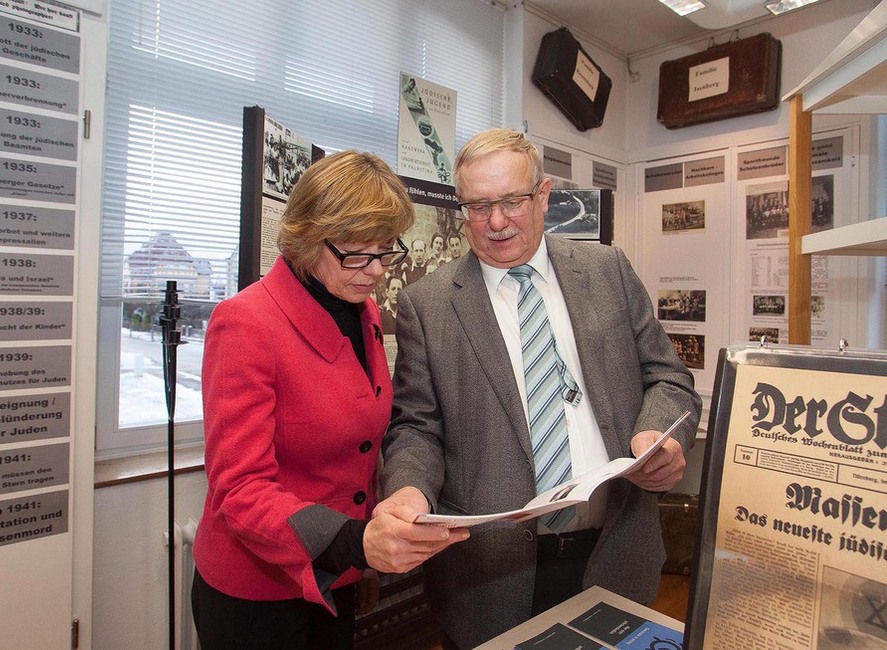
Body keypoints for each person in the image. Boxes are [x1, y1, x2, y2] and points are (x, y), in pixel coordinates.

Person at [376, 128, 702, 649]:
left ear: (545, 195)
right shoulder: (427, 304)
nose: (497, 222)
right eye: (478, 207)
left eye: (511, 201)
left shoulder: (607, 270)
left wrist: (657, 437)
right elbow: (417, 426)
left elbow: (668, 376)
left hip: (615, 548)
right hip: (489, 573)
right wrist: (409, 490)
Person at [191, 150, 466, 650]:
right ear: (306, 237)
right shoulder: (245, 324)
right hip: (257, 594)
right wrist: (355, 544)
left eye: (386, 251)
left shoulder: (364, 315)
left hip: (336, 575)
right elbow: (240, 489)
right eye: (357, 253)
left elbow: (359, 454)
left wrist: (360, 560)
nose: (377, 271)